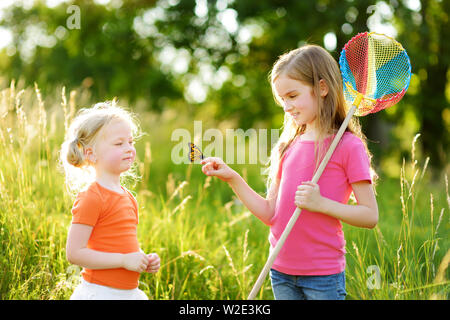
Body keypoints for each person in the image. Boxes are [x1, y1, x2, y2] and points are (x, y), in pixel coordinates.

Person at [201, 44, 378, 300]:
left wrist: (321, 204)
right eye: (282, 99)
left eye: (293, 96)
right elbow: (270, 213)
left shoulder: (348, 146)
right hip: (280, 270)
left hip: (322, 276)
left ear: (322, 88)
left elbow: (370, 216)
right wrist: (233, 179)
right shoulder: (288, 146)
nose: (286, 106)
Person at [60, 101, 160, 300]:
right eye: (119, 143)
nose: (129, 148)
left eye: (130, 142)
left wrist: (142, 258)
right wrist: (124, 260)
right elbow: (74, 253)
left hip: (129, 294)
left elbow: (121, 243)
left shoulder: (128, 197)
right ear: (91, 154)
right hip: (100, 292)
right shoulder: (92, 196)